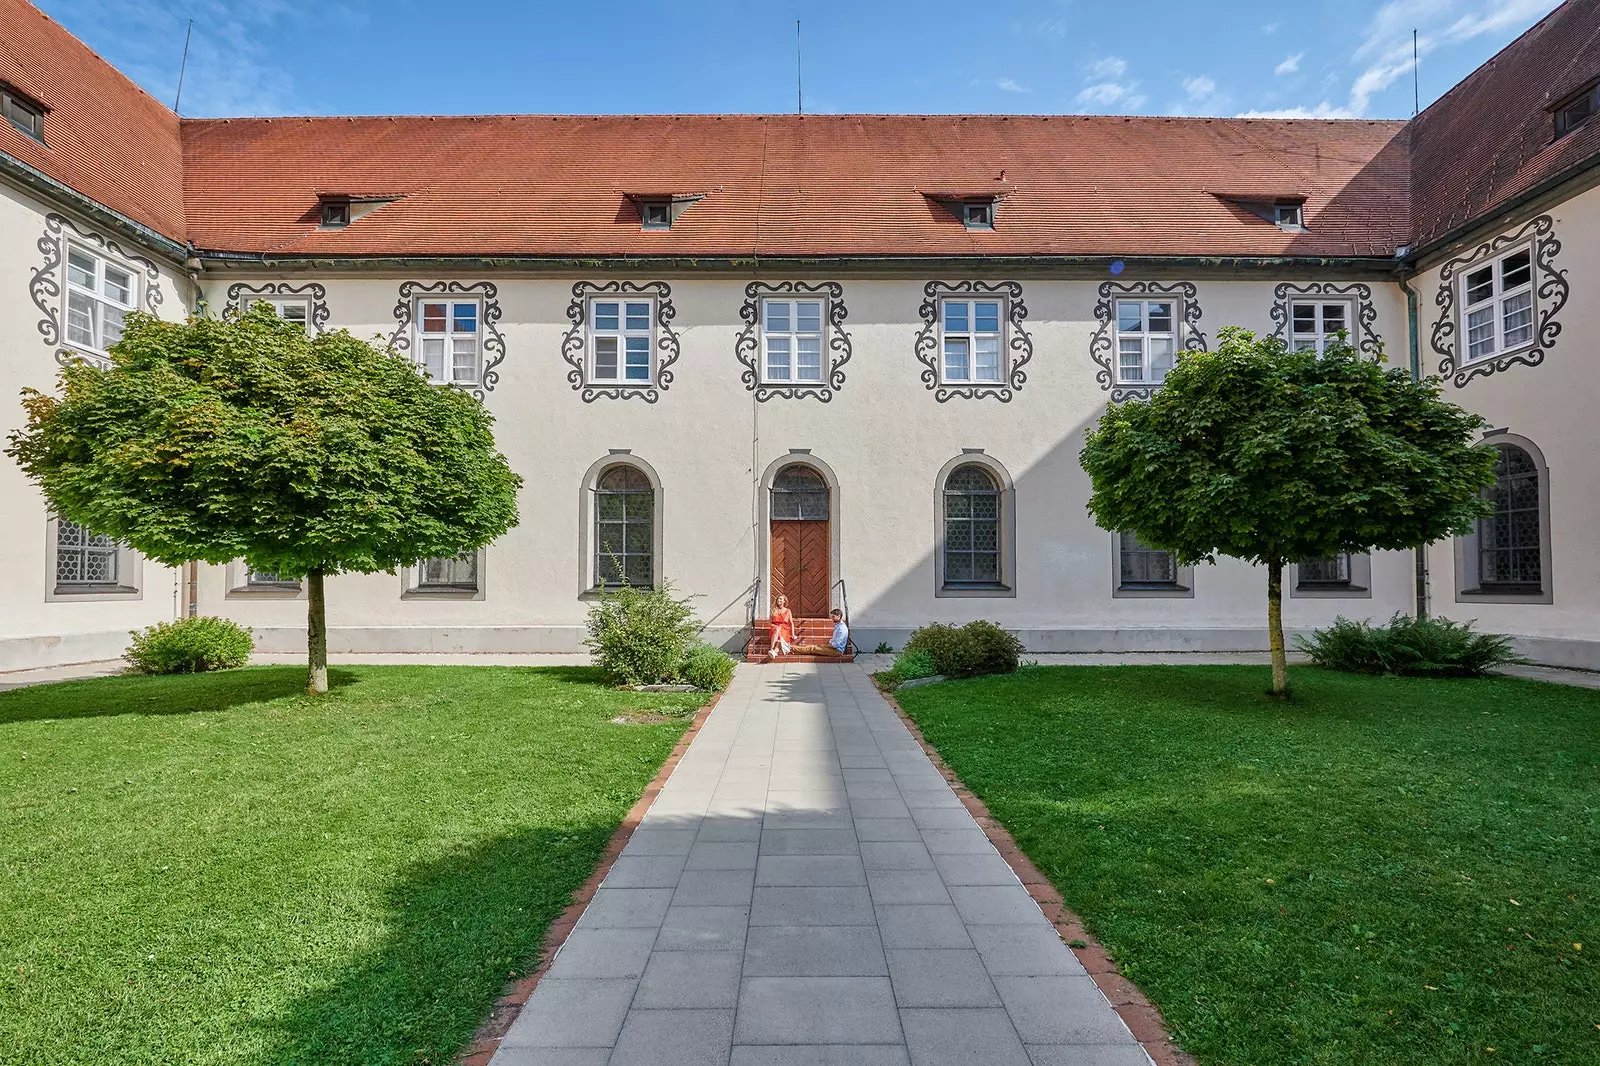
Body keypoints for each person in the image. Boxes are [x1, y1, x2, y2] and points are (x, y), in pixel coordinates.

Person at [767, 594, 795, 659]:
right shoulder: (774, 610)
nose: (779, 600)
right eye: (778, 599)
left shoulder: (788, 611)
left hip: (784, 629)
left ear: (784, 601)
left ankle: (774, 652)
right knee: (777, 629)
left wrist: (793, 634)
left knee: (780, 640)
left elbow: (791, 623)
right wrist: (775, 626)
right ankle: (772, 649)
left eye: (780, 599)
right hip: (774, 629)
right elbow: (769, 622)